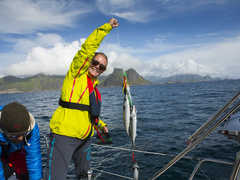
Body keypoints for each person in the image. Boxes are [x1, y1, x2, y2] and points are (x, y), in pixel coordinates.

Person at [45, 18, 119, 180]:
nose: (97, 67)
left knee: (84, 175)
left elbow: (88, 111)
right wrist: (107, 28)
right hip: (64, 135)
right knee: (55, 177)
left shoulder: (94, 88)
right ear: (89, 61)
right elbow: (87, 48)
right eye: (95, 62)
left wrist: (102, 126)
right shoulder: (76, 74)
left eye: (102, 67)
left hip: (85, 138)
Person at [0, 102, 43, 180]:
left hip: (15, 151)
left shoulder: (32, 128)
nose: (20, 139)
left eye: (23, 134)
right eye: (14, 136)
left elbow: (34, 159)